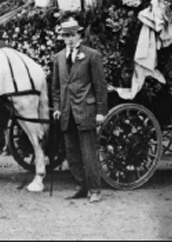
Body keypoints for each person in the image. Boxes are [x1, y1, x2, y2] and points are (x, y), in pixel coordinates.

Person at [51, 16, 107, 203]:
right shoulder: (58, 57)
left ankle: (95, 190)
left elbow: (99, 86)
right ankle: (81, 186)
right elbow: (56, 88)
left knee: (89, 153)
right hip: (67, 113)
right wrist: (58, 108)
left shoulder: (92, 55)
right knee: (72, 153)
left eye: (72, 35)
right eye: (66, 36)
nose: (69, 39)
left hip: (86, 110)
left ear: (79, 35)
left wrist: (100, 112)